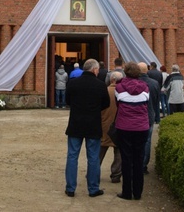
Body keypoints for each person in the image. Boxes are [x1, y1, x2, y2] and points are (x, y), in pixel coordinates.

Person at [64, 58, 110, 198]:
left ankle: (70, 188)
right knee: (93, 157)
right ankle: (93, 188)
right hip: (93, 125)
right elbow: (105, 104)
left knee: (72, 156)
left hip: (76, 124)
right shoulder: (100, 85)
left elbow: (67, 101)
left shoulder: (73, 83)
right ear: (95, 70)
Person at [114, 62, 150, 200]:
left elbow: (118, 103)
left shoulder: (119, 87)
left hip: (124, 126)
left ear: (125, 72)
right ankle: (138, 192)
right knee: (139, 159)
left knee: (126, 159)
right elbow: (146, 103)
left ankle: (127, 192)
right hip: (141, 126)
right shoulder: (145, 88)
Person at [100, 70, 123, 183]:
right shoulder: (123, 92)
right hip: (119, 125)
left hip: (104, 124)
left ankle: (94, 172)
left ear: (112, 79)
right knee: (118, 151)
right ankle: (116, 174)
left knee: (100, 149)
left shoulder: (104, 91)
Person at [138, 62, 161, 175]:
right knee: (147, 141)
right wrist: (157, 116)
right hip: (149, 115)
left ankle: (135, 164)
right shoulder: (154, 83)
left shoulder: (134, 83)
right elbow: (157, 101)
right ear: (147, 70)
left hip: (136, 116)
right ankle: (143, 165)